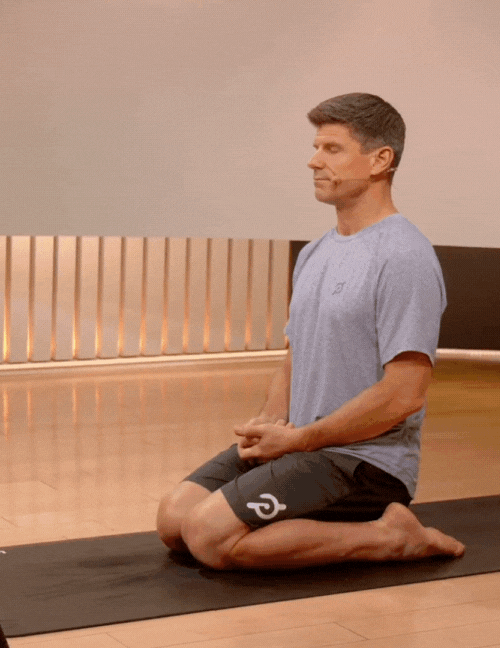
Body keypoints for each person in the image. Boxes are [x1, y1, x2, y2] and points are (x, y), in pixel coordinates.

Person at [155, 93, 465, 570]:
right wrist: (269, 426)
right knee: (174, 521)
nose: (314, 161)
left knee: (208, 537)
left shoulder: (405, 257)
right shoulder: (316, 252)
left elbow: (405, 394)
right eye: (316, 147)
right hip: (303, 444)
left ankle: (391, 537)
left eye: (332, 149)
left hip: (365, 462)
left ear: (380, 160)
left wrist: (301, 442)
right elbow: (295, 356)